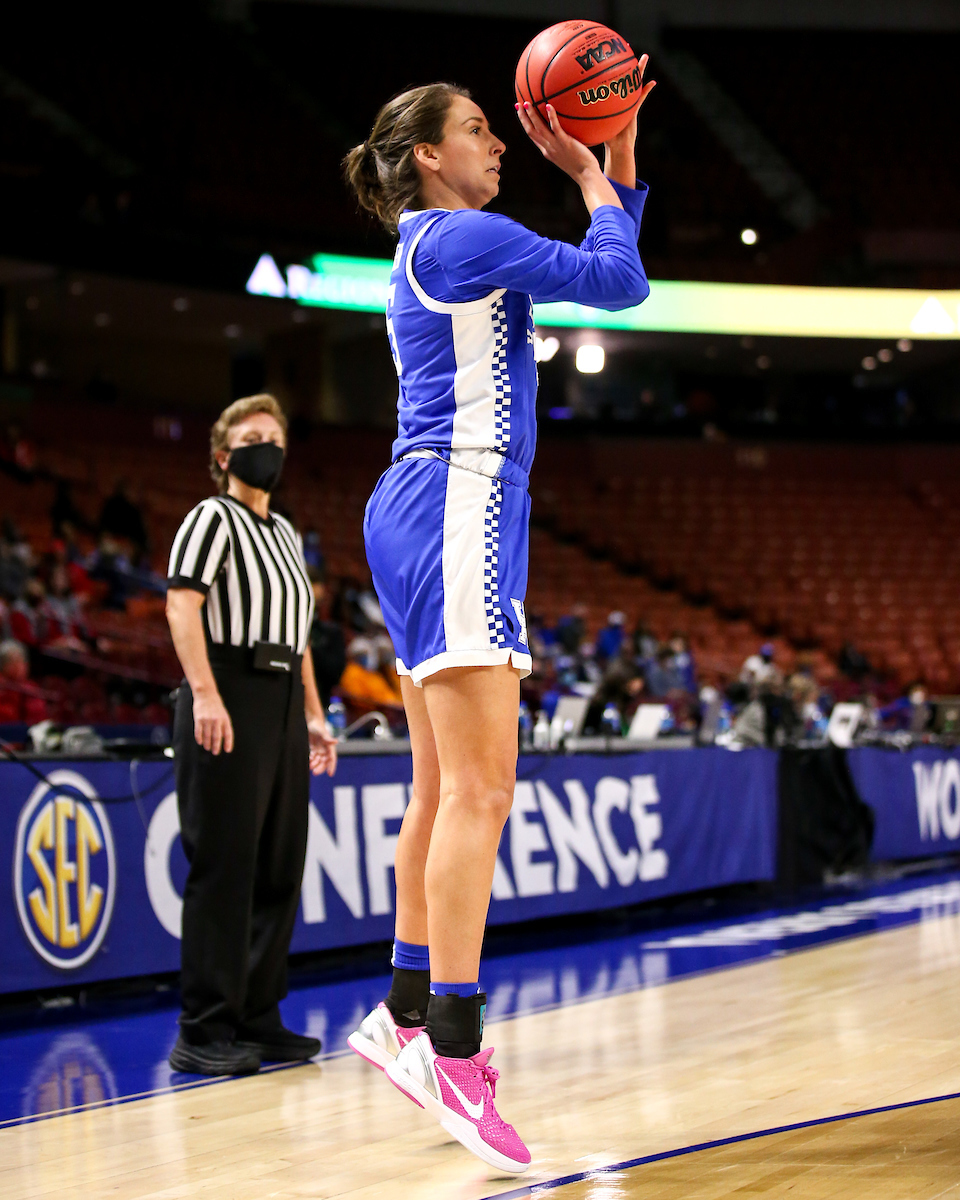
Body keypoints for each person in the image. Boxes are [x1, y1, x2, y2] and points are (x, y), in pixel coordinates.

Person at [342, 72, 653, 1174]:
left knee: (438, 790)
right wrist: (591, 167)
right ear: (427, 156)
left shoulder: (438, 245)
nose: (499, 145)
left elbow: (614, 268)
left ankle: (405, 1012)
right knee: (483, 790)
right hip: (458, 497)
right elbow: (621, 284)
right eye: (479, 130)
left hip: (422, 501)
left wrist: (616, 156)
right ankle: (458, 1054)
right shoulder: (463, 239)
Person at [165, 393, 338, 1077]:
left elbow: (299, 640)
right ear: (223, 455)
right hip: (226, 689)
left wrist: (316, 714)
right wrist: (205, 694)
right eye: (252, 436)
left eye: (275, 435)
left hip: (280, 700)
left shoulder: (288, 535)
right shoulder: (211, 518)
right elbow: (183, 605)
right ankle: (203, 1028)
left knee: (278, 866)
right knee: (225, 866)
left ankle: (258, 1017)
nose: (267, 445)